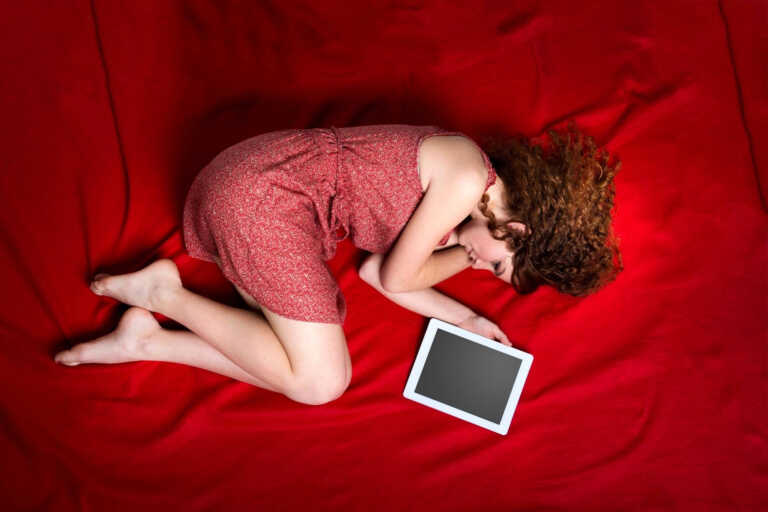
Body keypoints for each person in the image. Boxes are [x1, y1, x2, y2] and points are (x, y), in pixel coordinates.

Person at [53, 122, 623, 405]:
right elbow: (399, 276)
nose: (477, 268)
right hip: (262, 200)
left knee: (300, 366)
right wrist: (462, 258)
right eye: (497, 266)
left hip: (260, 195)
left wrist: (469, 322)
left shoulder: (465, 188)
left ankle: (148, 339)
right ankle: (163, 299)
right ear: (516, 232)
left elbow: (377, 274)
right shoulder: (466, 180)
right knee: (322, 383)